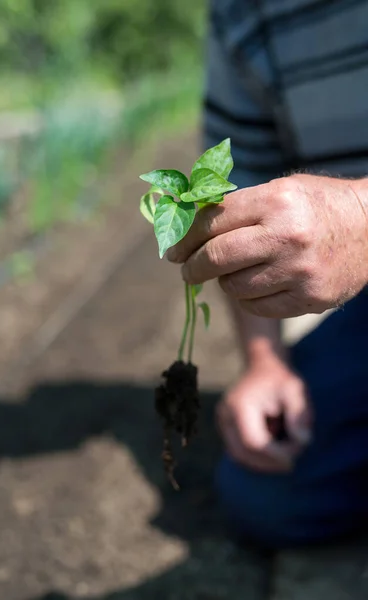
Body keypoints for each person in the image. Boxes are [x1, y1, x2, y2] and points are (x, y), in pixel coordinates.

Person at [168, 0, 368, 547]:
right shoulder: (243, 14)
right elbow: (244, 185)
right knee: (269, 494)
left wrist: (361, 218)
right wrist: (265, 361)